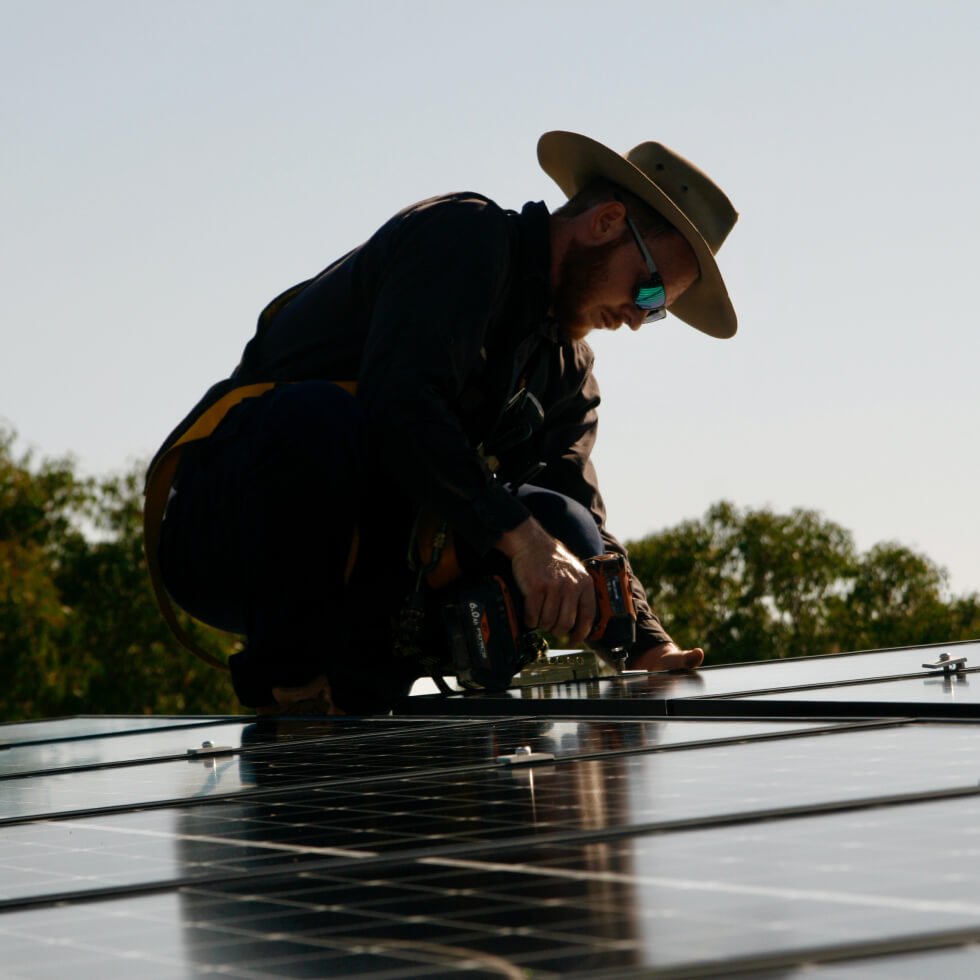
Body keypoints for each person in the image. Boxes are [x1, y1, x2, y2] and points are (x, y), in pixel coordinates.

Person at [144, 130, 738, 715]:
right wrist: (523, 542)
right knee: (324, 419)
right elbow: (400, 404)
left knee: (557, 521)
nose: (641, 317)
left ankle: (360, 693)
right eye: (651, 288)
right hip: (228, 535)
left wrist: (644, 645)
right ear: (607, 222)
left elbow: (573, 511)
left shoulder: (568, 371)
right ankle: (293, 686)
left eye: (659, 310)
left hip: (372, 572)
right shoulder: (465, 236)